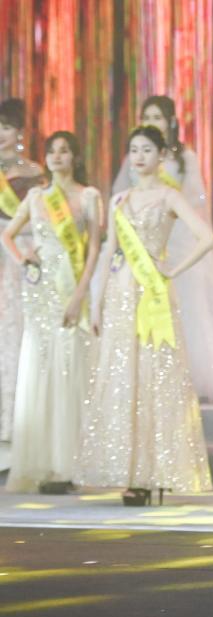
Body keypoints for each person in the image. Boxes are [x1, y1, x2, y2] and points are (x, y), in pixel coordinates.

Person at [74, 126, 213, 506]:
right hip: (120, 295)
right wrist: (97, 303)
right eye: (133, 149)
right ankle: (131, 473)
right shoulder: (119, 200)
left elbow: (207, 238)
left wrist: (172, 269)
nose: (138, 156)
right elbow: (108, 253)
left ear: (161, 155)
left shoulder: (170, 195)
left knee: (156, 378)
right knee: (125, 380)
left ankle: (155, 472)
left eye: (147, 149)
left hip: (154, 296)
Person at [111, 96, 213, 402]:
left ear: (170, 121)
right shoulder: (136, 156)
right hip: (141, 243)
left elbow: (197, 200)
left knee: (186, 308)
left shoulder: (185, 157)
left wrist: (165, 199)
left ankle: (188, 374)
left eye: (157, 117)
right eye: (147, 117)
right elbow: (120, 196)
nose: (152, 122)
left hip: (178, 238)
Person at [1, 132, 101, 493]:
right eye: (52, 152)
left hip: (71, 290)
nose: (57, 157)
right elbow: (7, 235)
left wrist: (80, 294)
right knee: (40, 371)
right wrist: (23, 259)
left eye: (64, 151)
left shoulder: (89, 197)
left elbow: (93, 250)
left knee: (69, 372)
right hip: (41, 292)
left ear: (75, 157)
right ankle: (41, 463)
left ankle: (69, 465)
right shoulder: (36, 197)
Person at [0, 98, 44, 465]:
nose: (0, 134)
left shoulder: (35, 172)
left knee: (20, 337)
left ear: (19, 132)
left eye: (6, 127)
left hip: (21, 260)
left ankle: (18, 434)